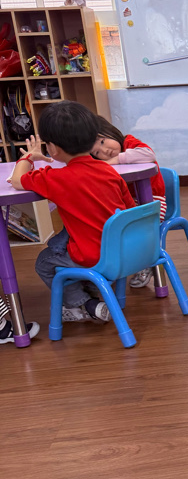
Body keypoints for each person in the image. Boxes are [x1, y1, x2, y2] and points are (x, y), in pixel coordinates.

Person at [7, 102, 135, 323]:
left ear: (53, 149)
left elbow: (17, 180)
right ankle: (94, 294)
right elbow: (131, 211)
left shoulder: (56, 178)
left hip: (94, 256)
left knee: (44, 262)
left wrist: (29, 157)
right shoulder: (109, 171)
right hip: (126, 249)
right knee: (63, 241)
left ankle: (83, 305)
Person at [91, 116, 166, 289]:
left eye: (102, 142)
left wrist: (117, 159)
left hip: (153, 202)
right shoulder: (102, 162)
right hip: (127, 204)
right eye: (97, 153)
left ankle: (144, 263)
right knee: (109, 225)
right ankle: (119, 264)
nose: (105, 151)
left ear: (110, 131)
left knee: (133, 229)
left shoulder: (129, 142)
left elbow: (149, 154)